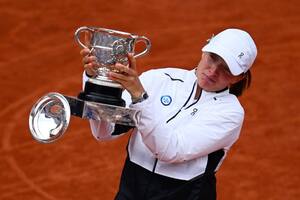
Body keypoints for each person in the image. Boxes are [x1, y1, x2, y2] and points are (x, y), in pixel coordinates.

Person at [80, 28, 257, 200]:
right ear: (204, 51)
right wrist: (95, 81)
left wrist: (140, 98)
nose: (212, 71)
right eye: (213, 58)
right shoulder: (160, 79)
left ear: (238, 78)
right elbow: (104, 132)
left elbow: (171, 150)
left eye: (226, 69)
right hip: (131, 188)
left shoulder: (230, 114)